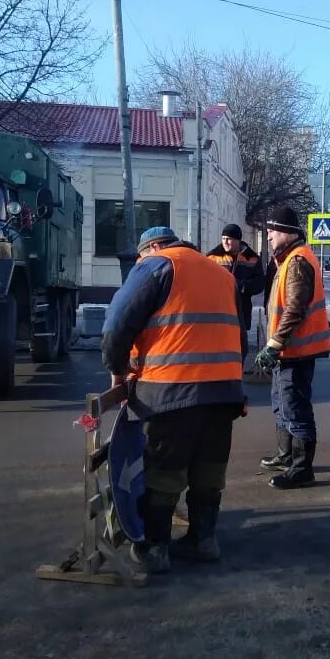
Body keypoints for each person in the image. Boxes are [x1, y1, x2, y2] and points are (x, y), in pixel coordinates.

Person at [101, 226, 245, 574]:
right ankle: (203, 540)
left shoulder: (157, 265)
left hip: (172, 390)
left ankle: (154, 550)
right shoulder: (221, 273)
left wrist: (117, 371)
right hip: (223, 390)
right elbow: (238, 332)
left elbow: (116, 326)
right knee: (209, 469)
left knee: (164, 472)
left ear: (150, 247)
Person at [255, 207, 330, 490]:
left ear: (287, 232)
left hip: (295, 352)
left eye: (272, 232)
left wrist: (274, 345)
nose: (269, 237)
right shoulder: (287, 260)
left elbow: (295, 309)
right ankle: (286, 455)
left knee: (295, 406)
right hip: (287, 352)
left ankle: (301, 468)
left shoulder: (298, 262)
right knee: (281, 403)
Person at [206, 223, 265, 362]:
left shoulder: (252, 258)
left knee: (240, 348)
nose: (225, 242)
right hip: (218, 311)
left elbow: (259, 284)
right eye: (223, 238)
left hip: (241, 311)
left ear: (238, 240)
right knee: (220, 349)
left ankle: (236, 375)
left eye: (229, 239)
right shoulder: (212, 257)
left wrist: (242, 286)